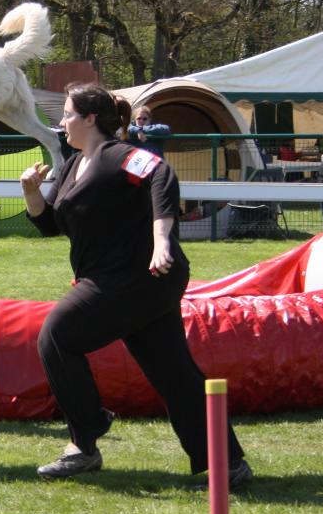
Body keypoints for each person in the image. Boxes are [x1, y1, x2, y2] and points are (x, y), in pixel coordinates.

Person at [19, 82, 250, 487]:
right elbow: (50, 224)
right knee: (174, 373)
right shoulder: (74, 165)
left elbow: (162, 175)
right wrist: (30, 193)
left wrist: (162, 240)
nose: (61, 123)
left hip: (140, 275)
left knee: (56, 335)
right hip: (124, 280)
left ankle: (85, 437)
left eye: (68, 114)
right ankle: (228, 464)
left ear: (91, 119)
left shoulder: (120, 156)